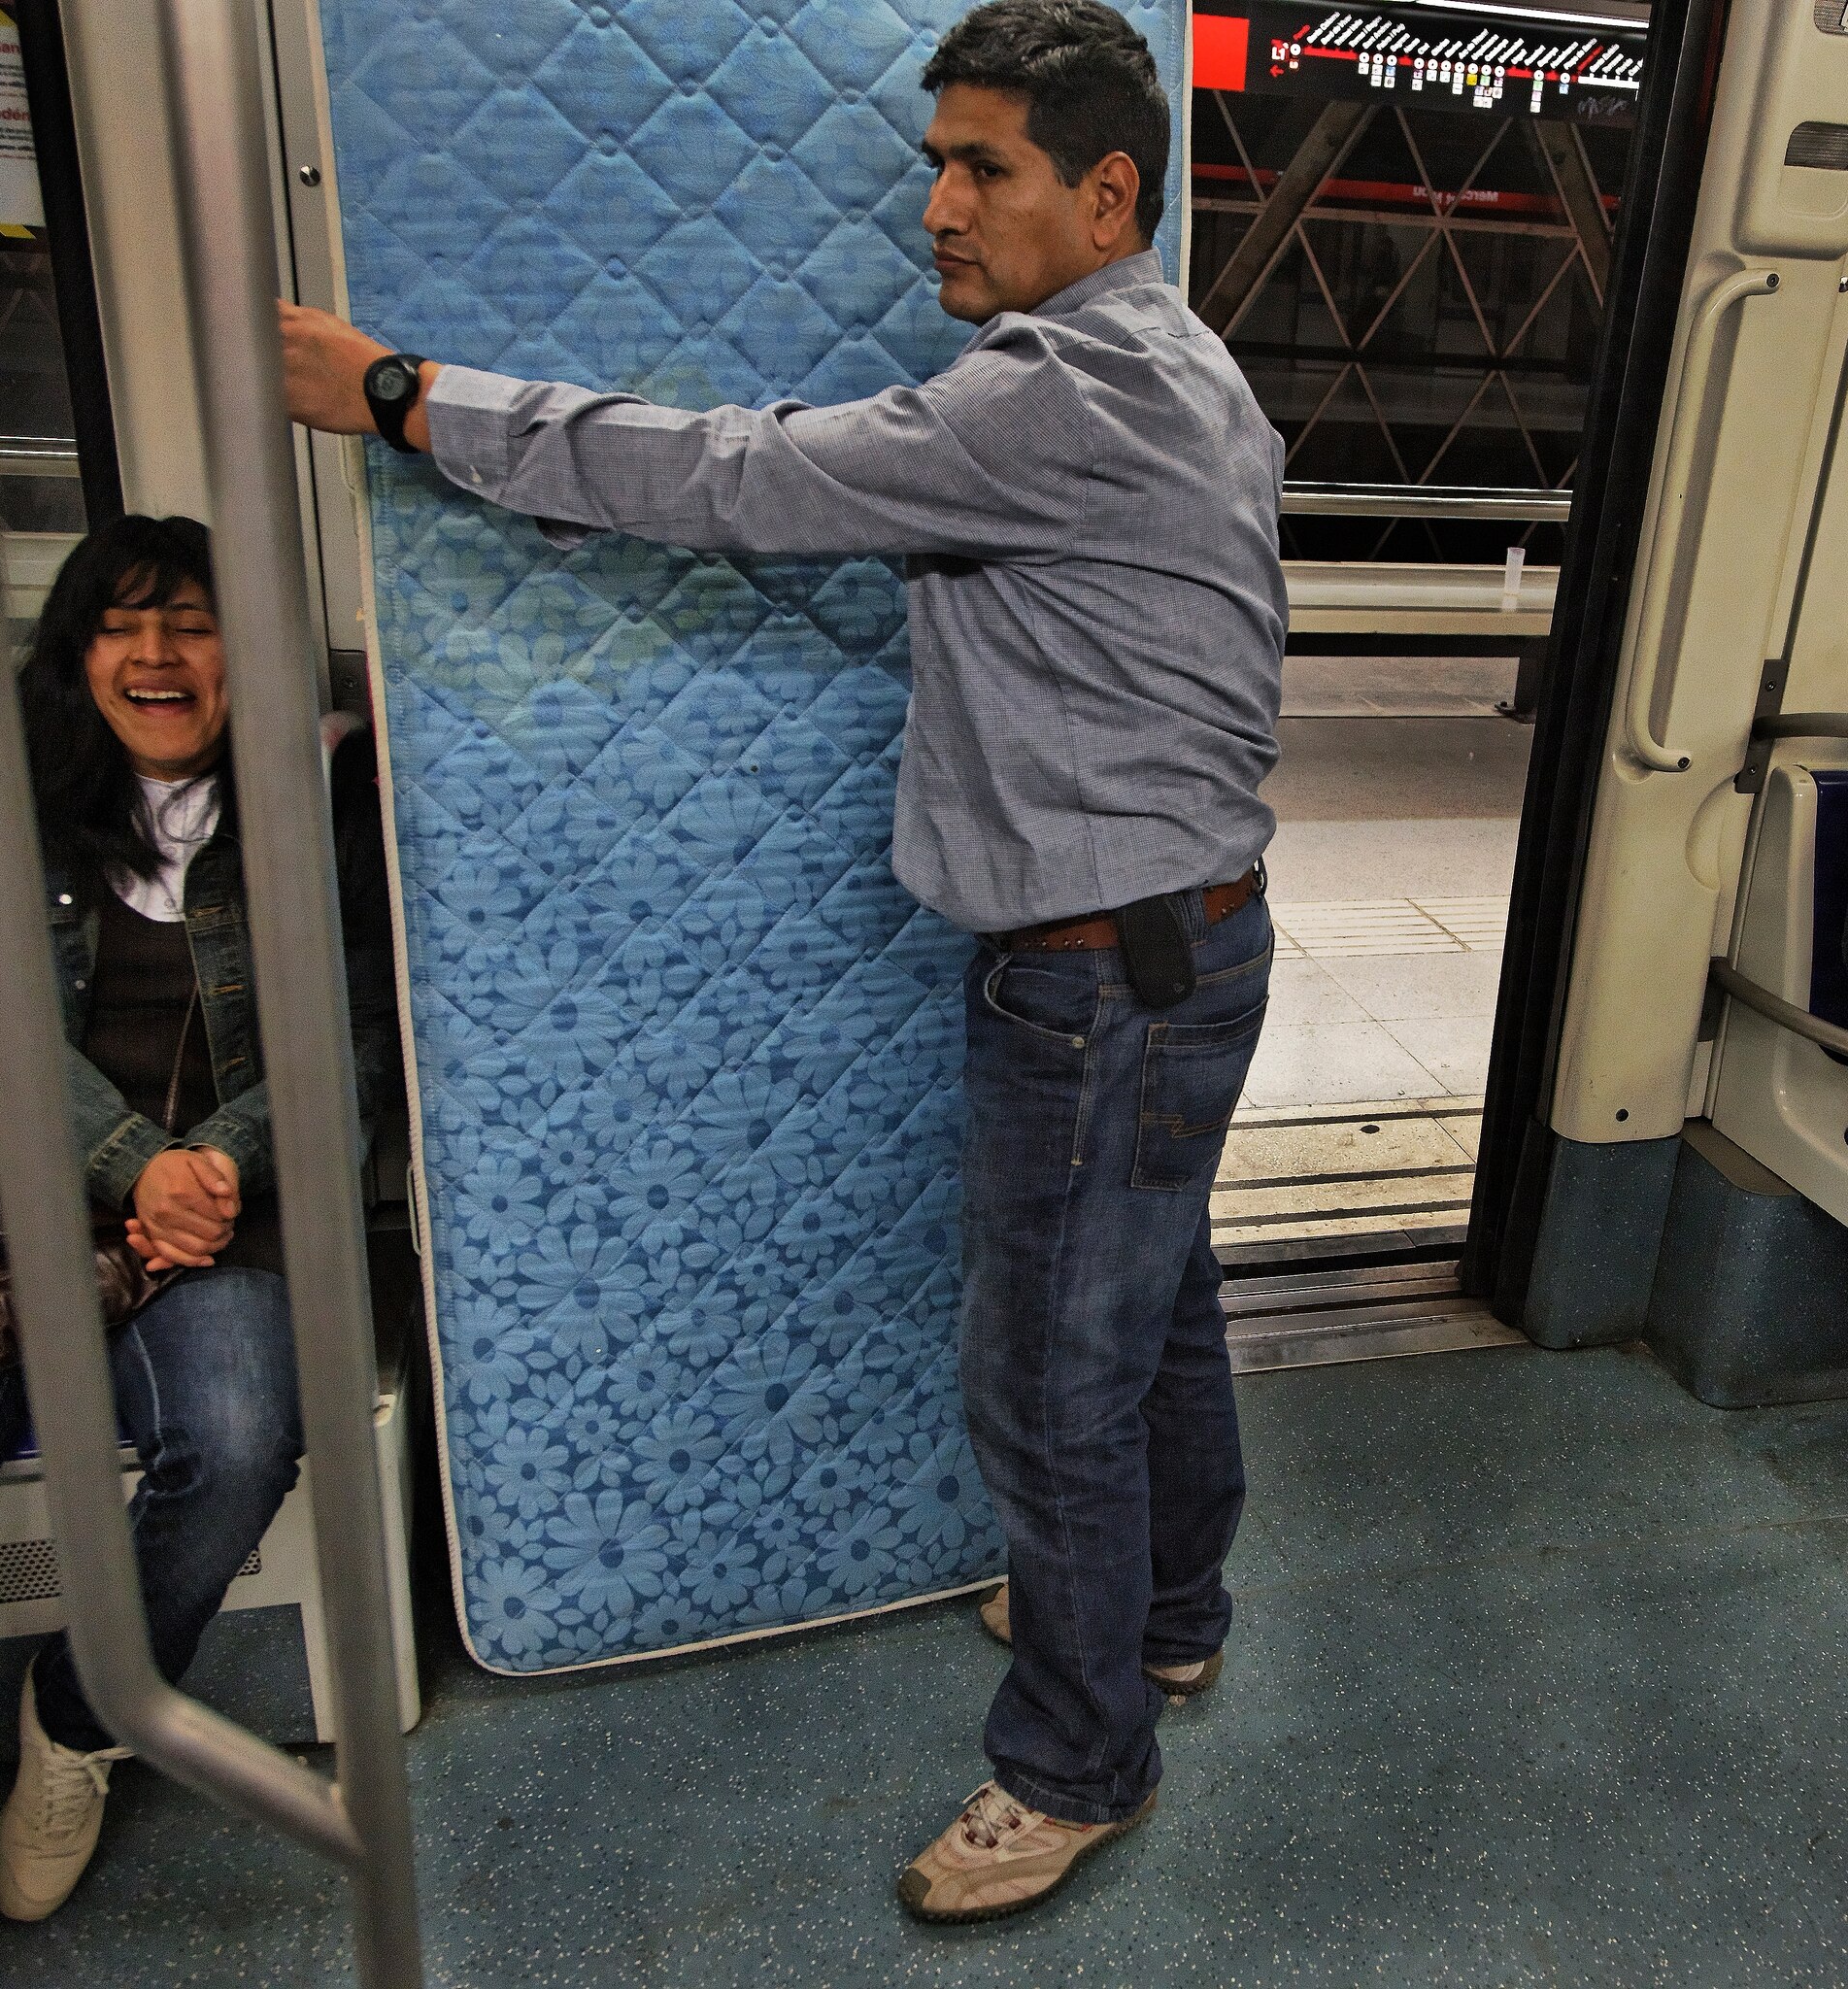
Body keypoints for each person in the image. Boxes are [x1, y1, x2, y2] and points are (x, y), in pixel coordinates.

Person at [278, 0, 1281, 1924]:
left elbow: (735, 474)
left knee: (1047, 1382)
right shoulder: (1187, 367)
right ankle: (1161, 1616)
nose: (940, 205)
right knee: (1148, 1318)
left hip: (1098, 979)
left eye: (982, 166)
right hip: (1190, 944)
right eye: (937, 164)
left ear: (1107, 190)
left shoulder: (1047, 394)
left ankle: (1075, 1755)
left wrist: (400, 393)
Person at [0, 517, 399, 1987]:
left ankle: (85, 1710)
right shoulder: (3, 811)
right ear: (76, 659)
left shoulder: (313, 817)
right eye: (122, 627)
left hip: (224, 1204)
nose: (160, 656)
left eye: (192, 623)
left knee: (239, 1440)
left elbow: (356, 1036)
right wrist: (134, 1166)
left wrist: (215, 1162)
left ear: (246, 653)